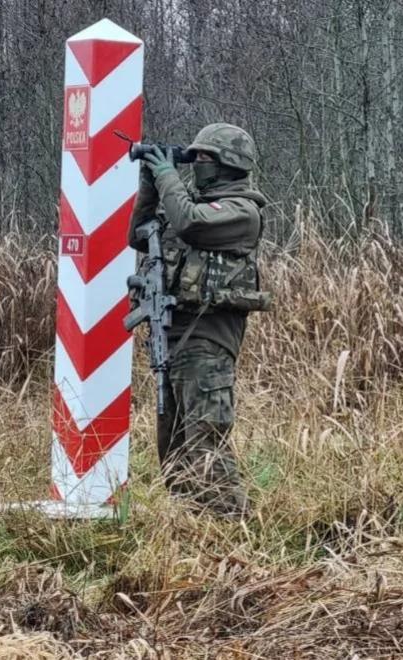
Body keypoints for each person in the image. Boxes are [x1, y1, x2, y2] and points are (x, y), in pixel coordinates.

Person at [127, 123, 271, 517]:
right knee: (172, 444)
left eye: (205, 158)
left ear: (229, 165)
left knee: (206, 442)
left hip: (207, 338)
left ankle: (232, 526)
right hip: (174, 335)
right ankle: (192, 526)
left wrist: (167, 174)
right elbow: (141, 235)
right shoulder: (188, 201)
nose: (197, 165)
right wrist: (150, 184)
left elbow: (190, 223)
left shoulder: (241, 212)